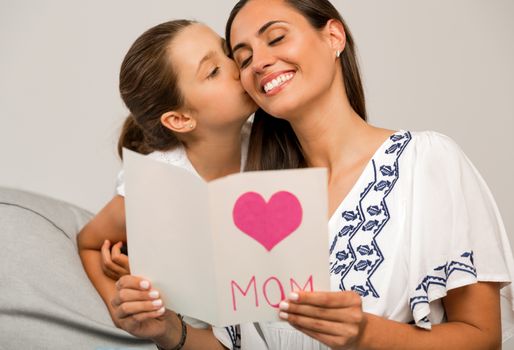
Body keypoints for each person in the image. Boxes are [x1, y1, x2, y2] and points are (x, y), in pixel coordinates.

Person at [111, 1, 514, 349]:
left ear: (333, 36)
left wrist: (365, 335)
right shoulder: (250, 202)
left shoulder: (426, 162)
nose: (261, 62)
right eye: (244, 57)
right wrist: (166, 330)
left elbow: (483, 338)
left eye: (276, 37)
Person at [76, 19, 257, 348]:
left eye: (227, 52)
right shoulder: (156, 181)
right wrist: (120, 309)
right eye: (213, 71)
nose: (236, 65)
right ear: (180, 119)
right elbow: (90, 243)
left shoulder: (269, 145)